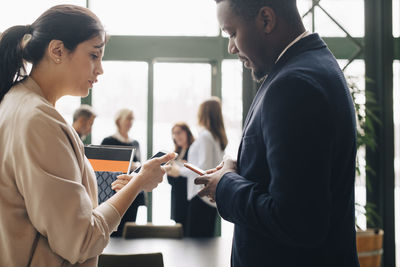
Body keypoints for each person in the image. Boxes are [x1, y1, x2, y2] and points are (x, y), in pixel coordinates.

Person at [0, 5, 175, 267]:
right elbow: (81, 240)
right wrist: (138, 183)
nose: (100, 69)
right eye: (94, 55)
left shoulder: (13, 103)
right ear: (57, 51)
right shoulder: (39, 119)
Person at [195, 0, 359, 266]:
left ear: (266, 20)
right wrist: (240, 169)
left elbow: (298, 221)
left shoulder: (294, 85)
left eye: (233, 33)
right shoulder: (312, 66)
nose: (231, 47)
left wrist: (225, 185)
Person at [167, 97, 228, 237]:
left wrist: (179, 171)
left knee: (195, 243)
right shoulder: (216, 137)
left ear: (204, 113)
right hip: (207, 197)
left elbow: (203, 168)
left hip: (200, 196)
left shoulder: (206, 136)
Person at [101, 108, 145, 237]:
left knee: (128, 230)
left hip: (132, 192)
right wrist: (128, 165)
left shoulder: (135, 143)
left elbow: (138, 167)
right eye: (128, 118)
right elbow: (103, 167)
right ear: (119, 120)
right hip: (115, 192)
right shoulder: (108, 141)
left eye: (132, 119)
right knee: (114, 231)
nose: (130, 122)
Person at [166, 122, 195, 234]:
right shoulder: (176, 153)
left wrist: (178, 171)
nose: (176, 136)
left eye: (179, 132)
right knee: (179, 229)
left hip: (188, 196)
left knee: (188, 230)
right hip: (177, 196)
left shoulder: (193, 151)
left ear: (187, 133)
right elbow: (170, 179)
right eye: (174, 133)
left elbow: (191, 174)